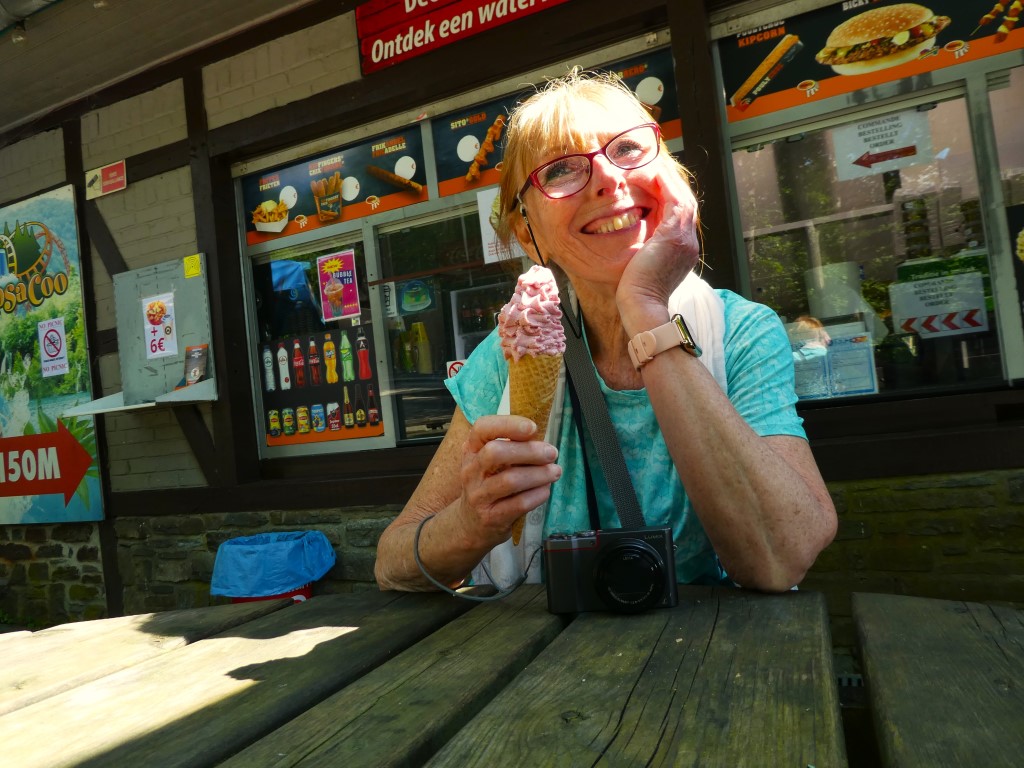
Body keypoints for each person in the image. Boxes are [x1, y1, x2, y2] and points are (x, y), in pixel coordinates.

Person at [375, 70, 837, 593]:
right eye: (561, 171)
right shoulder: (507, 356)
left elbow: (781, 558)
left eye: (629, 149)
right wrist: (470, 521)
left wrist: (644, 307)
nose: (608, 179)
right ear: (528, 232)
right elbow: (393, 565)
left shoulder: (740, 333)